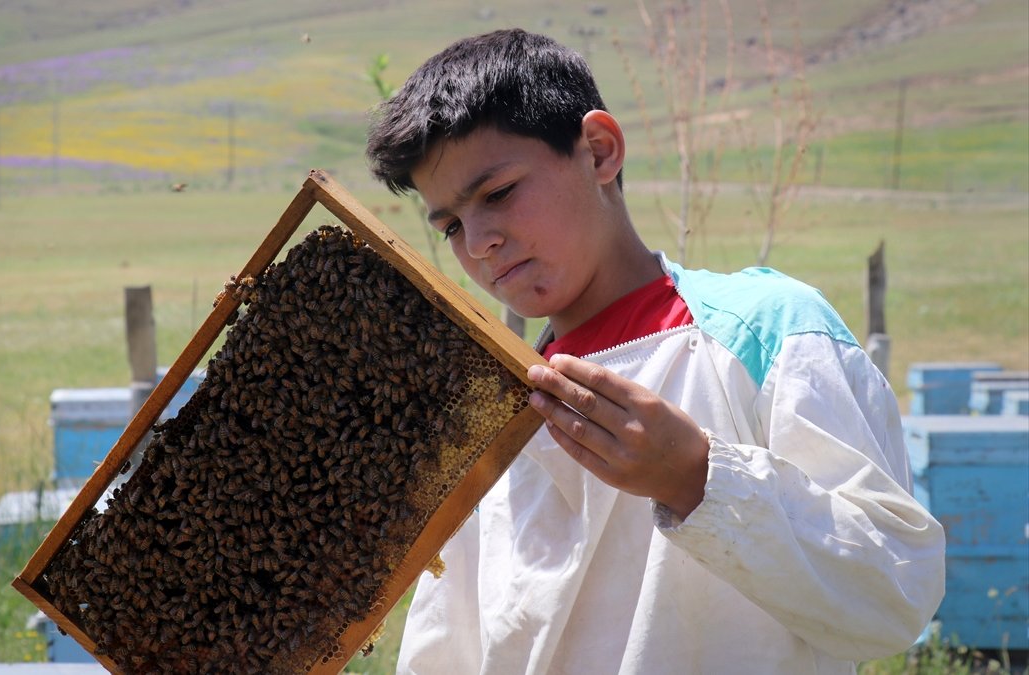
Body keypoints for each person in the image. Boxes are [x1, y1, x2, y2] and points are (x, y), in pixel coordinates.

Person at [364, 28, 945, 674]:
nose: (477, 242)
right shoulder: (488, 418)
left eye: (497, 193)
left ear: (600, 151)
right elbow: (445, 653)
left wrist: (698, 479)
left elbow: (897, 592)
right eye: (449, 226)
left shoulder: (769, 331)